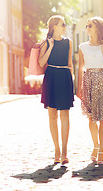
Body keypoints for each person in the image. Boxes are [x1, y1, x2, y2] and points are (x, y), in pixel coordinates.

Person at [77, 17, 103, 165]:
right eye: (86, 26)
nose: (87, 28)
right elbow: (80, 68)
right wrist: (79, 88)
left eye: (90, 26)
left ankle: (101, 151)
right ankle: (95, 145)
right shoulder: (82, 47)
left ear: (98, 29)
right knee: (91, 118)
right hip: (89, 80)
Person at [39, 15, 74, 165]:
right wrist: (50, 46)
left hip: (64, 76)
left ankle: (65, 152)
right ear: (54, 26)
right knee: (52, 115)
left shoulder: (69, 43)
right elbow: (41, 62)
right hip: (51, 77)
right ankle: (57, 149)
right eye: (63, 24)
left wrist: (72, 83)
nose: (65, 27)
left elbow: (70, 63)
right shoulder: (46, 43)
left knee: (64, 114)